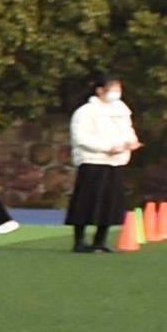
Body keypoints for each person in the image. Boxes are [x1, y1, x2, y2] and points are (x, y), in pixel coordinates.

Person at [65, 73, 140, 252]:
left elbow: (128, 130)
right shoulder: (86, 112)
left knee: (110, 202)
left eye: (118, 90)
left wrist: (130, 142)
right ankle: (79, 240)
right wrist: (107, 147)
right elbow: (81, 138)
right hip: (93, 161)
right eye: (112, 89)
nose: (116, 93)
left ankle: (101, 240)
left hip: (116, 161)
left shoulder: (121, 110)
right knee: (87, 200)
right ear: (100, 91)